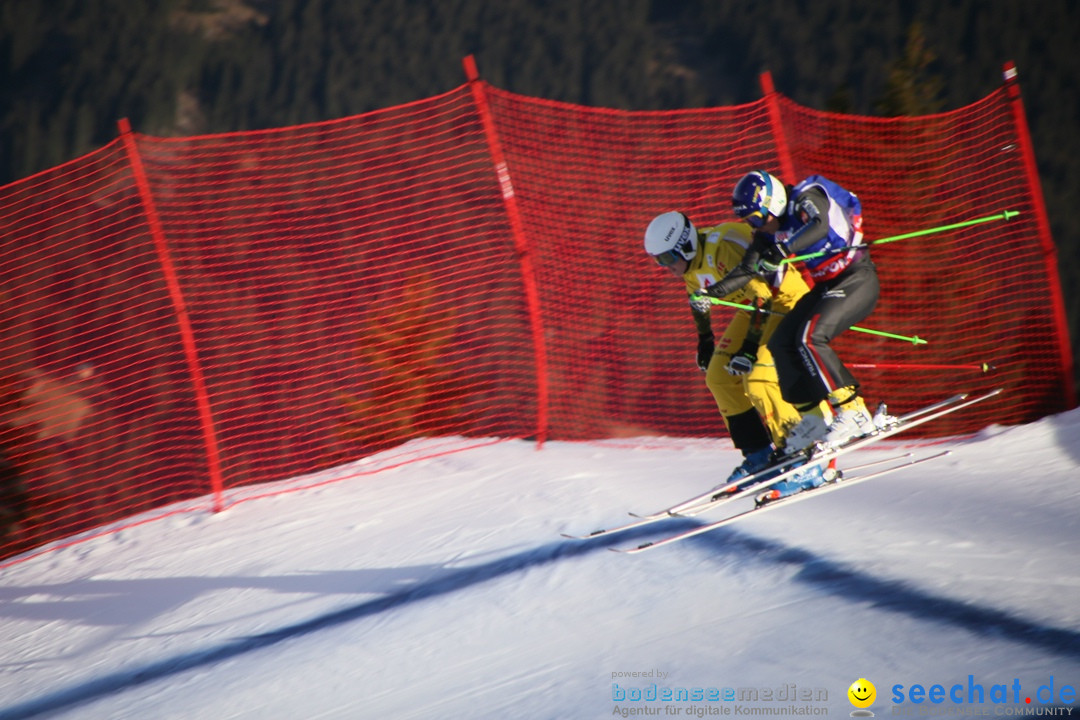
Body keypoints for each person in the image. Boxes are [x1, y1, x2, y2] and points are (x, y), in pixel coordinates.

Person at [705, 171, 881, 498]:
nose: (755, 227)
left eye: (756, 218)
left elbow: (818, 225)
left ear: (772, 204)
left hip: (857, 279)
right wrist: (712, 291)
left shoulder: (805, 197)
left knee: (809, 337)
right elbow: (746, 270)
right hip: (830, 286)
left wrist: (784, 249)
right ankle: (814, 418)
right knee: (781, 342)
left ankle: (853, 411)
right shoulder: (766, 232)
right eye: (748, 221)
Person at [643, 211, 824, 494]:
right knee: (718, 376)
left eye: (667, 258)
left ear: (685, 245)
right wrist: (705, 340)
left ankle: (804, 458)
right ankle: (759, 456)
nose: (665, 266)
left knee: (757, 380)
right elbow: (698, 300)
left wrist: (751, 349)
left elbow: (762, 295)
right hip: (755, 310)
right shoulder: (690, 264)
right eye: (658, 261)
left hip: (786, 303)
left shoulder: (720, 249)